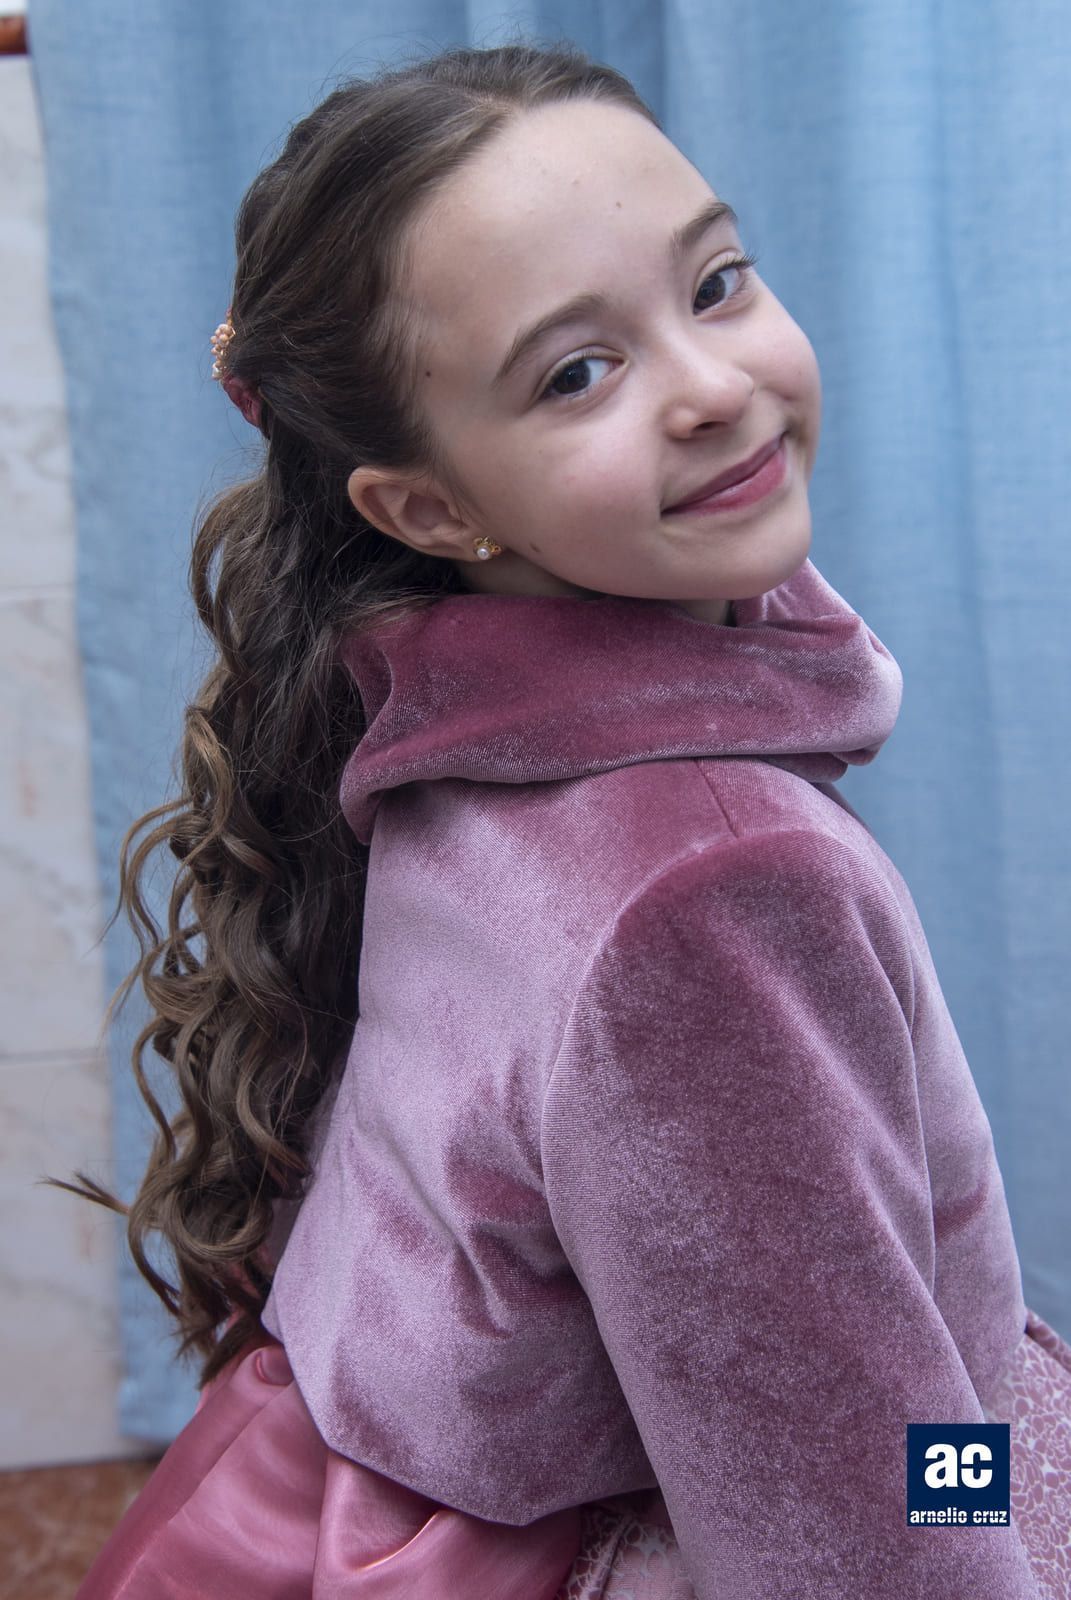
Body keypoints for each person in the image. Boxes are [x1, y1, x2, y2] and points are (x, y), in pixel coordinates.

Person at [69, 37, 1070, 1600]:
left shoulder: (460, 732)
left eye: (716, 284)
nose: (714, 388)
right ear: (431, 509)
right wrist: (993, 1498)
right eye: (577, 374)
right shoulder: (716, 884)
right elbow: (862, 1505)